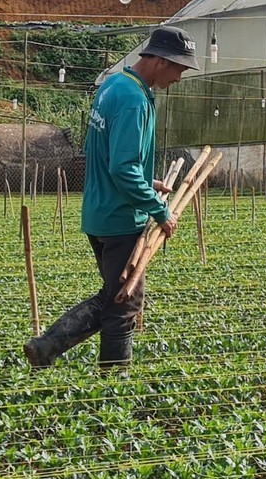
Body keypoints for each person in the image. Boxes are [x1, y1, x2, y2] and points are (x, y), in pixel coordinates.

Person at [25, 25, 197, 369]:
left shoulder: (114, 86)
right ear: (162, 61)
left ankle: (46, 347)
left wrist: (149, 181)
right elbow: (122, 168)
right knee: (124, 304)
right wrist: (158, 210)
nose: (179, 78)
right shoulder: (135, 100)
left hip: (98, 212)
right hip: (121, 219)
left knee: (113, 294)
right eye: (179, 69)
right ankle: (111, 388)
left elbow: (107, 155)